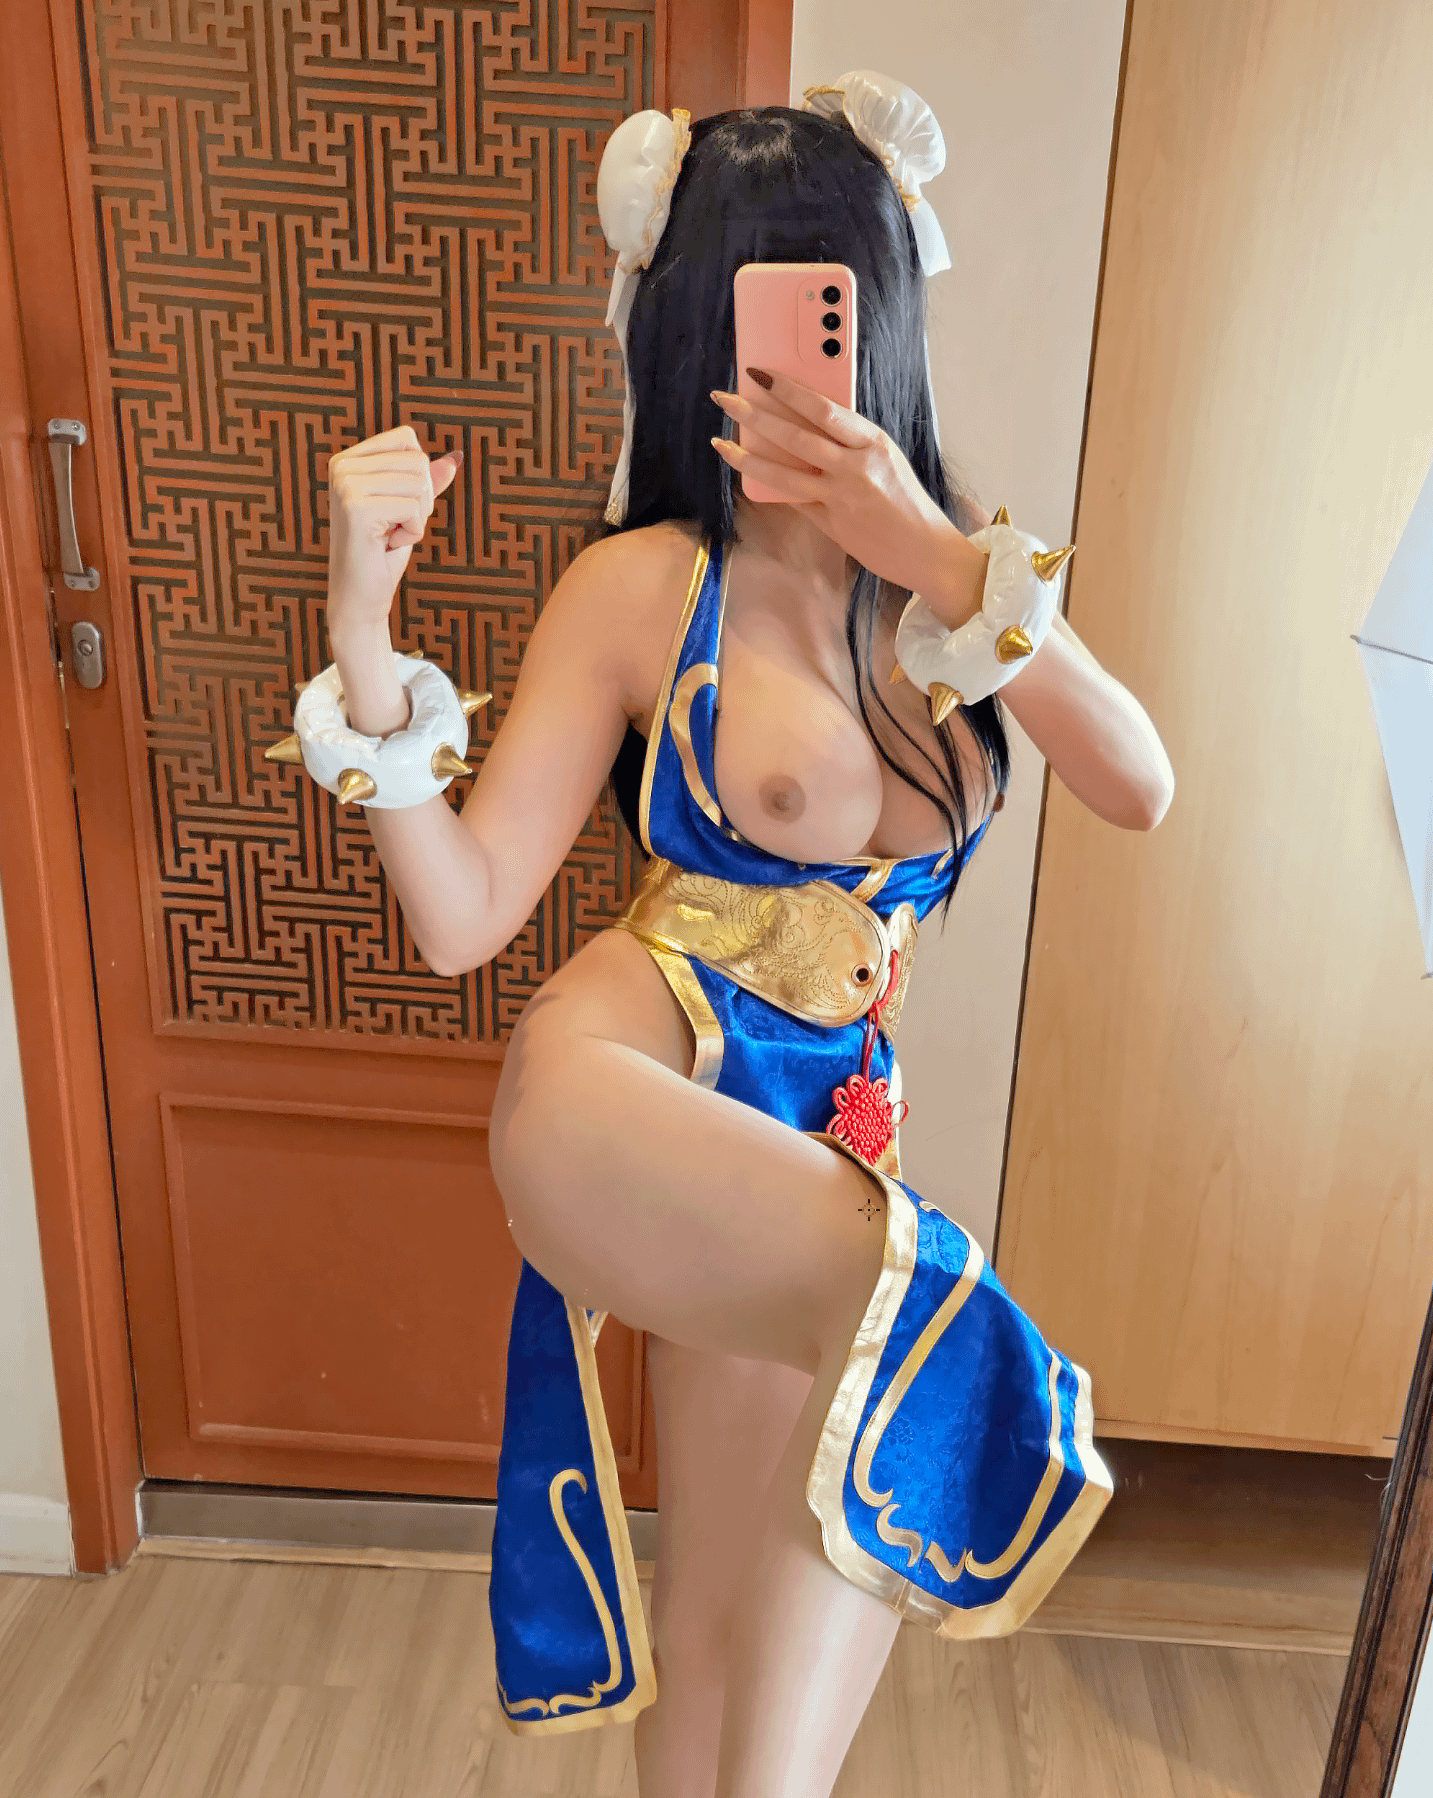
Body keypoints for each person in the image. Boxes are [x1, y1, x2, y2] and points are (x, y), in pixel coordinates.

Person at [278, 74, 1174, 1798]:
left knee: (737, 1615)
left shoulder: (961, 591)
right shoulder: (644, 588)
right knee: (918, 1311)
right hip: (630, 1080)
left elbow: (1138, 782)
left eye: (833, 308)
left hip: (818, 1141)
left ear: (884, 312)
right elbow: (463, 917)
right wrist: (362, 627)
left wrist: (931, 550)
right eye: (758, 313)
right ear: (690, 324)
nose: (798, 368)